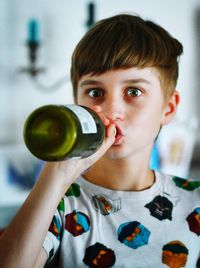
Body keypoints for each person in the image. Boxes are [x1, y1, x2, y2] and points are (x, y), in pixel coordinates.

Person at [0, 14, 199, 268]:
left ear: (168, 109)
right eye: (95, 92)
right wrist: (59, 171)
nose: (112, 109)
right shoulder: (59, 206)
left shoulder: (195, 201)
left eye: (134, 91)